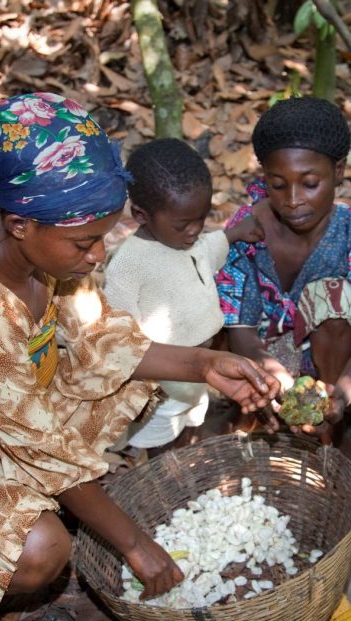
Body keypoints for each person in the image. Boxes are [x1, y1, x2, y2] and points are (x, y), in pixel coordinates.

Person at [0, 92, 280, 609]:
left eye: (102, 238)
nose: (98, 255)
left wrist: (204, 363)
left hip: (0, 406)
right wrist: (136, 546)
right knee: (38, 551)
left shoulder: (31, 230)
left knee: (133, 381)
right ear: (21, 226)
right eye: (85, 244)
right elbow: (39, 445)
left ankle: (32, 500)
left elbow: (101, 338)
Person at [216, 96, 351, 445]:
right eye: (278, 185)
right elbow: (240, 332)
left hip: (328, 365)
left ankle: (330, 435)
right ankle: (250, 413)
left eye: (310, 183)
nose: (293, 199)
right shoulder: (245, 231)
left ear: (338, 172)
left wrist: (338, 397)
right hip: (259, 359)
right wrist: (278, 379)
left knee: (334, 296)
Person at [104, 138, 264, 450]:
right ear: (141, 215)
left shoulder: (184, 241)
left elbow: (207, 249)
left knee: (190, 420)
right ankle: (167, 474)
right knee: (161, 437)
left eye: (202, 218)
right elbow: (119, 338)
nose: (194, 230)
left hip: (200, 369)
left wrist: (235, 233)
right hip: (162, 380)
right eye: (183, 224)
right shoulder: (128, 265)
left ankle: (189, 449)